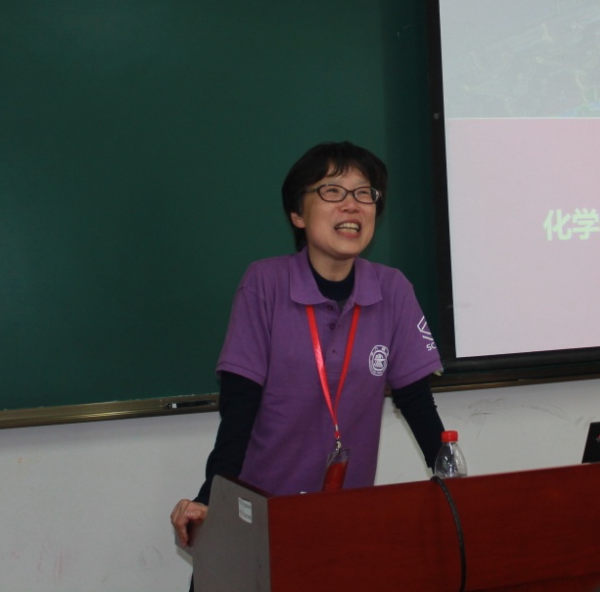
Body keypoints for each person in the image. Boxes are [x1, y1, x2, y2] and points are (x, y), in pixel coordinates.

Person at [170, 141, 445, 548]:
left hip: (345, 517)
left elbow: (416, 400)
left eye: (364, 193)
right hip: (259, 514)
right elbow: (239, 407)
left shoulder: (392, 289)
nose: (352, 205)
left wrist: (453, 484)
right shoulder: (264, 283)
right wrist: (211, 495)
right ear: (297, 214)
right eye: (332, 191)